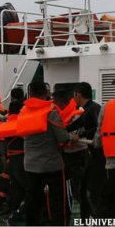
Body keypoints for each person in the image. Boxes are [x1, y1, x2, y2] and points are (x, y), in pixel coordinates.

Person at [22, 81, 76, 226]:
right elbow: (63, 138)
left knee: (32, 200)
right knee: (58, 201)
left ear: (31, 94)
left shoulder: (24, 111)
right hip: (51, 165)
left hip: (30, 165)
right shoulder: (50, 111)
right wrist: (72, 137)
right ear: (46, 94)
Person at [66, 82, 104, 219]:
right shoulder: (88, 109)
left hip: (100, 156)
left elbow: (99, 129)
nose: (73, 99)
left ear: (78, 95)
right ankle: (84, 219)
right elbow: (77, 124)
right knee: (83, 190)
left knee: (91, 191)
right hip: (92, 156)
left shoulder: (94, 108)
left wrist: (80, 134)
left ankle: (98, 219)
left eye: (73, 96)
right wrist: (61, 130)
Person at [52, 89, 85, 221]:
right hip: (67, 154)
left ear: (61, 101)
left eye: (55, 102)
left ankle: (92, 216)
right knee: (71, 188)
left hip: (78, 155)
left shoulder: (77, 114)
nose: (54, 104)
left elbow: (75, 135)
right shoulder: (60, 114)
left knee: (78, 190)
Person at [0, 100, 25, 224]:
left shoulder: (8, 123)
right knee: (21, 186)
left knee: (16, 186)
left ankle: (14, 211)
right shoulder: (23, 122)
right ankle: (16, 210)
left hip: (14, 159)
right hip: (19, 159)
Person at [93, 85, 115, 218]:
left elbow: (99, 133)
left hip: (112, 162)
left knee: (107, 198)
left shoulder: (107, 106)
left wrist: (96, 144)